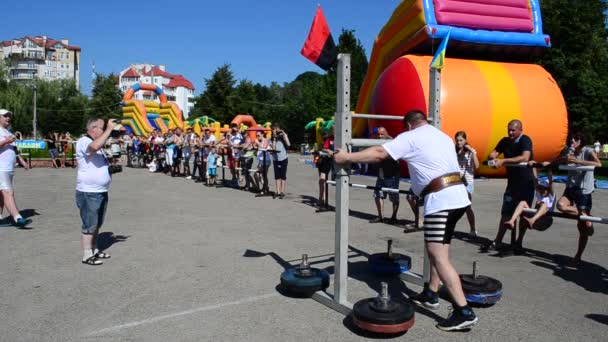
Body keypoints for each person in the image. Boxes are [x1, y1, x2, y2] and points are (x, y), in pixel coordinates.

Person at [333, 110, 478, 331]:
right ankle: (431, 293)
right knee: (439, 250)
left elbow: (380, 152)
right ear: (424, 121)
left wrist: (346, 158)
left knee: (438, 256)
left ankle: (463, 311)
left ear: (408, 125)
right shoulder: (442, 136)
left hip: (442, 200)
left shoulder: (410, 137)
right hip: (458, 198)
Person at [486, 119, 534, 253]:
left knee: (524, 214)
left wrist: (504, 161)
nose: (510, 132)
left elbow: (525, 157)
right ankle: (498, 241)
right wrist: (492, 157)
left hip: (526, 183)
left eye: (513, 130)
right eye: (509, 130)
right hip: (512, 183)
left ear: (520, 130)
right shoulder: (505, 141)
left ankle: (519, 242)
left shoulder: (525, 140)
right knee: (506, 212)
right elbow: (494, 153)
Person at [75, 117, 117, 266]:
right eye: (102, 127)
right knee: (89, 223)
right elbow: (93, 147)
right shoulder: (84, 141)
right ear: (93, 129)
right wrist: (110, 129)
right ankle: (86, 255)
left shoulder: (95, 143)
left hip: (100, 190)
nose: (104, 130)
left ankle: (94, 249)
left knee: (97, 223)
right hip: (89, 191)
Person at [556, 132, 602, 265]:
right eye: (571, 140)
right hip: (571, 187)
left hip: (584, 189)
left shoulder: (588, 150)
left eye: (574, 140)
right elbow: (559, 160)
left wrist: (578, 161)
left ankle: (578, 255)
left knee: (582, 227)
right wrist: (564, 159)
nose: (572, 142)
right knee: (561, 206)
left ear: (581, 141)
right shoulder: (569, 150)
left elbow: (598, 164)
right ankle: (585, 215)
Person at [0, 109, 32, 228]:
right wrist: (5, 141)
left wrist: (22, 161)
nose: (8, 118)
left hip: (9, 168)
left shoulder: (8, 132)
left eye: (9, 116)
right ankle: (18, 218)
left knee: (2, 194)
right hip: (1, 167)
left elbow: (15, 149)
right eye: (5, 116)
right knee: (8, 192)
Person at [504, 161, 555, 231]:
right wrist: (533, 166)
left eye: (544, 188)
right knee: (522, 202)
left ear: (548, 189)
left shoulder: (550, 196)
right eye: (540, 188)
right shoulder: (539, 194)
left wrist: (549, 168)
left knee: (544, 204)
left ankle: (532, 220)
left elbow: (551, 181)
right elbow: (535, 179)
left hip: (545, 220)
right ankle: (511, 221)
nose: (542, 190)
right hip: (535, 218)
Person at [370, 126, 400, 224]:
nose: (379, 136)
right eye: (378, 134)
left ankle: (394, 217)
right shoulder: (376, 142)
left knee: (394, 197)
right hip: (381, 174)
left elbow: (396, 157)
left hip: (392, 174)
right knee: (378, 195)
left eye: (382, 134)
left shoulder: (392, 142)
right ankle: (380, 216)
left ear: (386, 133)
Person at [455, 131, 479, 235]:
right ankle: (450, 227)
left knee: (467, 207)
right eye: (457, 140)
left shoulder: (470, 152)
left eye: (461, 140)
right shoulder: (454, 150)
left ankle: (473, 229)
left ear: (465, 140)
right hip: (456, 181)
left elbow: (477, 166)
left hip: (467, 183)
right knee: (453, 206)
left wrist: (472, 152)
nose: (459, 142)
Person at [316, 126, 334, 206]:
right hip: (324, 160)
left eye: (334, 129)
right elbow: (324, 148)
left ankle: (323, 199)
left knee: (323, 179)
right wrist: (328, 150)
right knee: (322, 180)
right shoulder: (329, 138)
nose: (333, 131)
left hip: (334, 162)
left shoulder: (341, 139)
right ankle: (322, 198)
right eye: (332, 130)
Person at [271, 123, 290, 199]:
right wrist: (275, 137)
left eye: (276, 129)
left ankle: (282, 192)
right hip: (276, 159)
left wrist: (284, 134)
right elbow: (274, 148)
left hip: (283, 158)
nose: (275, 131)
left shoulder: (283, 137)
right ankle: (278, 191)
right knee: (277, 176)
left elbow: (288, 144)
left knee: (283, 175)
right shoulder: (272, 138)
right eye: (274, 129)